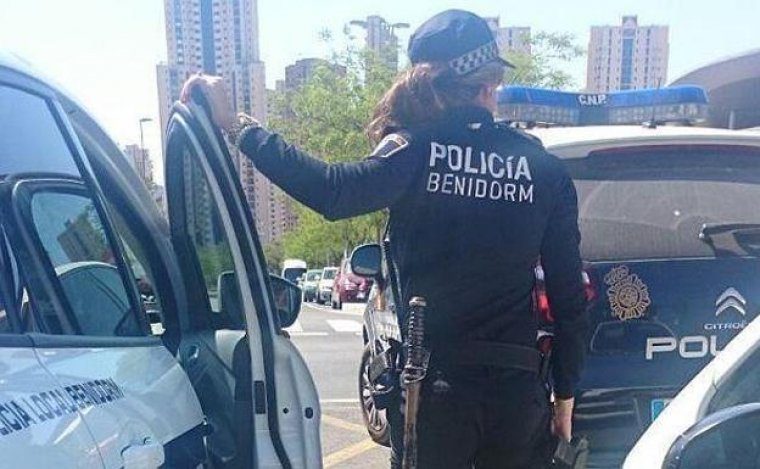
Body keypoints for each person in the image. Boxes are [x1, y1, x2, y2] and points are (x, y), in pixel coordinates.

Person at [181, 9, 588, 468]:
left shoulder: (413, 149)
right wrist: (565, 396)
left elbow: (333, 191)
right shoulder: (542, 167)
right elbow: (569, 298)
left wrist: (237, 126)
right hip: (517, 398)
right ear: (490, 84)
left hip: (434, 395)